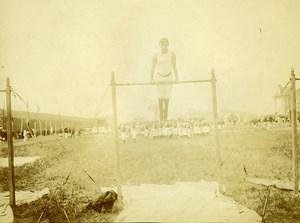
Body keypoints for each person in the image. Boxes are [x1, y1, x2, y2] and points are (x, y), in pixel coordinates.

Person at [150, 38, 179, 122]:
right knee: (160, 96)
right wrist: (151, 79)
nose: (164, 46)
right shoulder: (156, 54)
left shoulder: (172, 54)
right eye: (162, 45)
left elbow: (174, 66)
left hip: (169, 77)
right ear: (159, 45)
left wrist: (177, 78)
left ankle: (165, 117)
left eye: (165, 45)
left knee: (167, 97)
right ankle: (161, 117)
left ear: (168, 45)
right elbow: (152, 67)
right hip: (159, 77)